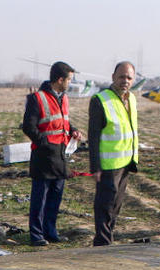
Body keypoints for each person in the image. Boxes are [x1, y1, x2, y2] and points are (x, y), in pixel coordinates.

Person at [21, 61, 83, 246]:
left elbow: (63, 121)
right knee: (40, 198)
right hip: (44, 156)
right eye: (69, 79)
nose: (70, 83)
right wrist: (44, 143)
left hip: (61, 155)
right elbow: (28, 127)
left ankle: (50, 231)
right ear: (60, 79)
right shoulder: (36, 98)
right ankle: (36, 234)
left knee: (55, 196)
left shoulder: (64, 98)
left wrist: (73, 130)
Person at [88, 62, 140, 246]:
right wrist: (95, 167)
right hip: (108, 165)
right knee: (105, 206)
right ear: (113, 77)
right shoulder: (100, 100)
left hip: (125, 162)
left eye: (129, 77)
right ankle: (102, 244)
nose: (125, 81)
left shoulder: (131, 99)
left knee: (116, 207)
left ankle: (108, 239)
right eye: (121, 76)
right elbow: (93, 137)